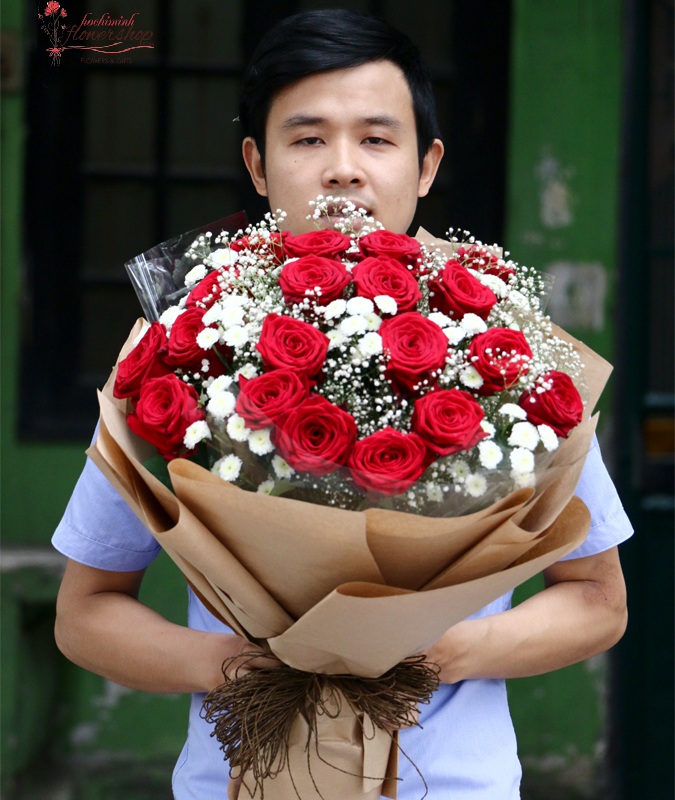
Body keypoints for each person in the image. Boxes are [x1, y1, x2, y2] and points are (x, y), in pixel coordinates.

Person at [52, 9, 632, 799]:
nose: (343, 170)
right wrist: (242, 665)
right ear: (257, 164)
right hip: (234, 782)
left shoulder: (508, 356)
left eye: (376, 139)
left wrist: (438, 653)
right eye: (307, 139)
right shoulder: (180, 355)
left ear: (426, 165)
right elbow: (86, 613)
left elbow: (596, 600)